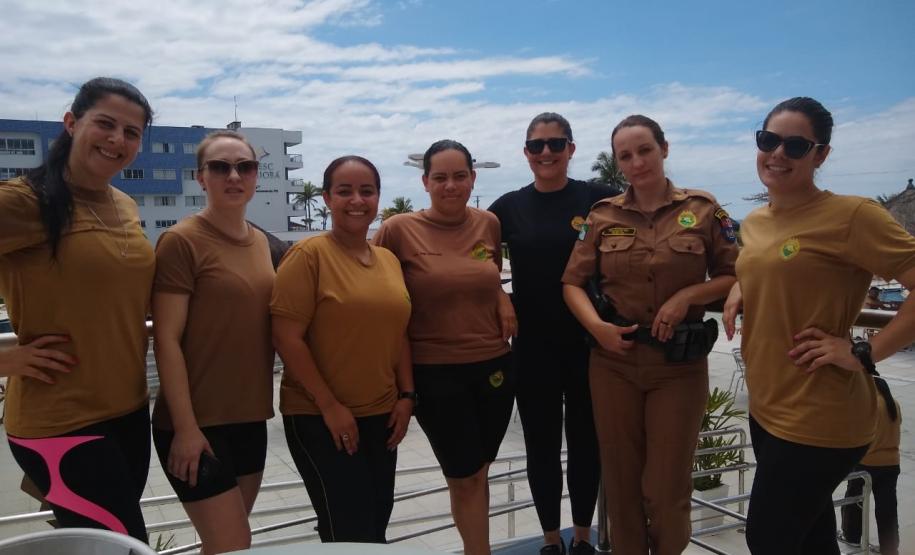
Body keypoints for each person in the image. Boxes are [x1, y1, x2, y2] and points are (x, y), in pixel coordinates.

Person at [723, 97, 915, 554]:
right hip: (767, 407)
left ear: (821, 154)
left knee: (767, 538)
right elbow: (767, 267)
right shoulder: (755, 222)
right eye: (768, 140)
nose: (777, 154)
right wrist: (741, 287)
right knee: (810, 540)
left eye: (795, 145)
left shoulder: (852, 216)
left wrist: (864, 352)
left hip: (820, 412)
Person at [562, 115, 738, 555]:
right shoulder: (602, 215)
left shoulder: (703, 209)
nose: (637, 162)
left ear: (664, 148)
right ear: (618, 162)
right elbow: (571, 283)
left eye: (645, 150)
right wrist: (597, 328)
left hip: (677, 367)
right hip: (613, 363)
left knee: (665, 487)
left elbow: (737, 274)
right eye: (626, 155)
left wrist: (690, 295)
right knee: (620, 486)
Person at [0, 77, 155, 540]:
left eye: (131, 132)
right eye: (105, 124)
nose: (117, 140)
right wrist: (3, 358)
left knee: (104, 547)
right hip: (60, 424)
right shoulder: (24, 202)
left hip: (129, 412)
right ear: (71, 123)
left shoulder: (124, 204)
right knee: (125, 549)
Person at [374, 140, 516, 555]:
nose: (450, 185)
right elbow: (377, 292)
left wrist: (501, 297)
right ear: (425, 182)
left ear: (473, 179)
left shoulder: (488, 223)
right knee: (464, 474)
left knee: (480, 472)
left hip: (494, 366)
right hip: (435, 372)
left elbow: (485, 274)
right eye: (441, 177)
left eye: (460, 176)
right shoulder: (398, 230)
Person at [271, 156, 413, 543]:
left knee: (376, 524)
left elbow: (399, 331)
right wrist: (331, 406)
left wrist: (406, 395)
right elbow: (286, 337)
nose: (356, 200)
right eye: (344, 191)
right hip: (320, 417)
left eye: (366, 191)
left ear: (378, 198)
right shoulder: (307, 256)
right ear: (327, 198)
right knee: (347, 532)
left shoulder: (386, 259)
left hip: (381, 415)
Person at [488, 113, 611, 554]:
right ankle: (549, 539)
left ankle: (581, 536)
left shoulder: (599, 199)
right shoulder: (507, 207)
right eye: (537, 145)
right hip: (533, 345)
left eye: (556, 144)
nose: (546, 153)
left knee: (585, 445)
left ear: (571, 149)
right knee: (540, 447)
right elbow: (476, 250)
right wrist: (500, 296)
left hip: (587, 342)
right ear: (525, 152)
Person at [151, 130, 275, 554]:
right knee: (233, 543)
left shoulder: (262, 242)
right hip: (194, 425)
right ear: (200, 177)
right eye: (220, 167)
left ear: (257, 175)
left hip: (249, 417)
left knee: (225, 545)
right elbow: (165, 338)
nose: (234, 175)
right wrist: (186, 429)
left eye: (245, 166)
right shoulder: (182, 241)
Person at [841, 377, 901, 555]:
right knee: (887, 508)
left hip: (867, 463)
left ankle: (851, 535)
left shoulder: (870, 407)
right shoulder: (894, 404)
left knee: (854, 500)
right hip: (891, 463)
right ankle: (890, 546)